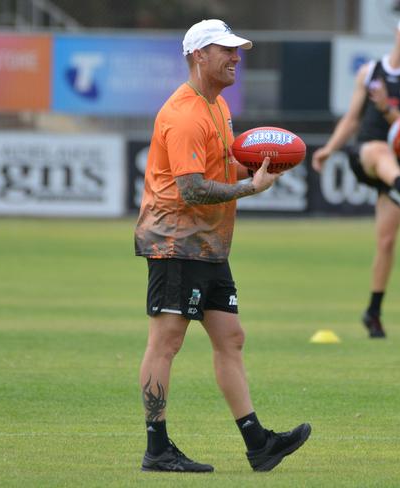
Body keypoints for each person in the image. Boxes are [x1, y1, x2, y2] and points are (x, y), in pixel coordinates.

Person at [134, 19, 311, 473]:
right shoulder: (186, 114)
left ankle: (259, 444)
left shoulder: (217, 107)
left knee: (231, 338)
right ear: (199, 56)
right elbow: (192, 189)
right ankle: (157, 449)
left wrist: (257, 169)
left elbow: (219, 170)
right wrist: (252, 187)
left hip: (208, 244)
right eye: (226, 51)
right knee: (167, 340)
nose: (236, 57)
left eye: (237, 50)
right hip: (176, 241)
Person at [312, 13, 400, 339]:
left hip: (398, 163)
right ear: (397, 33)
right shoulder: (370, 72)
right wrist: (329, 148)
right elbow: (352, 119)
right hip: (366, 154)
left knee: (387, 241)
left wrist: (385, 106)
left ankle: (373, 312)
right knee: (379, 149)